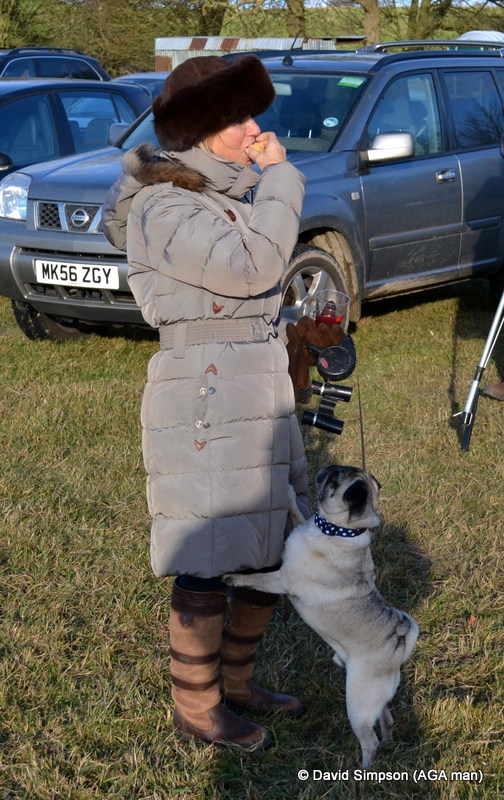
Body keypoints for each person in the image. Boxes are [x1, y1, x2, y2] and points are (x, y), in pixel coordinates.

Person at [102, 54, 311, 752]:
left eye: (253, 115)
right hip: (207, 390)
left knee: (264, 541)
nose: (253, 130)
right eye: (235, 119)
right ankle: (196, 703)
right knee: (209, 549)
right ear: (196, 131)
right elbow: (252, 267)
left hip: (254, 382)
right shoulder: (165, 204)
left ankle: (240, 682)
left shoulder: (224, 193)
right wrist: (283, 178)